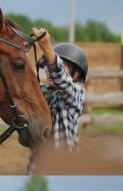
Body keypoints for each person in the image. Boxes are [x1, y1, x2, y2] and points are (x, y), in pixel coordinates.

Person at [27, 27, 88, 174]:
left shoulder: (76, 94)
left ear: (75, 75)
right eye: (47, 66)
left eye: (63, 65)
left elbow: (61, 79)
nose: (49, 70)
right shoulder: (42, 91)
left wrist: (47, 47)